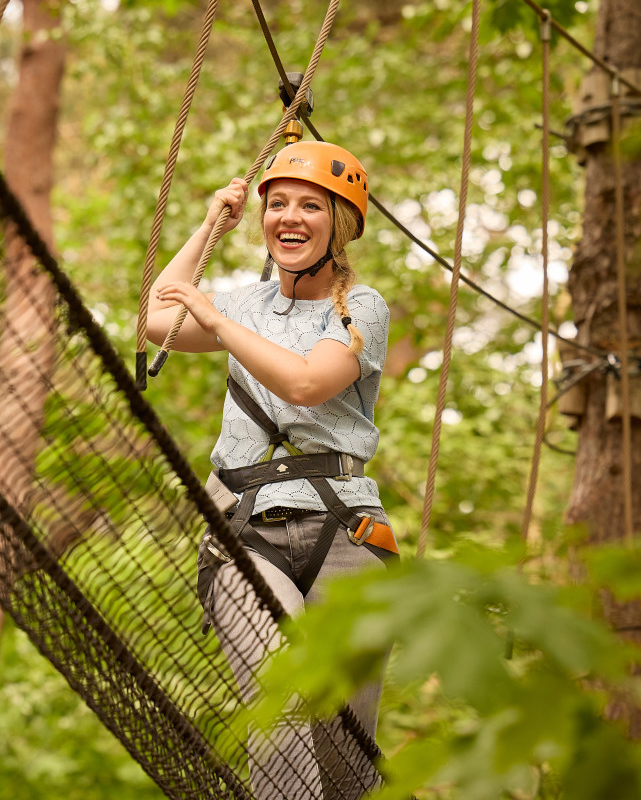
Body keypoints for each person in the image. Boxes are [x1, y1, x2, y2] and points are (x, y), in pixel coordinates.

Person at [146, 140, 399, 800]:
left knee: (347, 758)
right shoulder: (242, 303)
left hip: (345, 533)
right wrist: (209, 228)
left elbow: (309, 384)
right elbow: (156, 320)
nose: (288, 216)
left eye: (309, 205)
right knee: (279, 704)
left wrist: (218, 322)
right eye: (277, 204)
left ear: (338, 225)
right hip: (245, 532)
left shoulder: (360, 307)